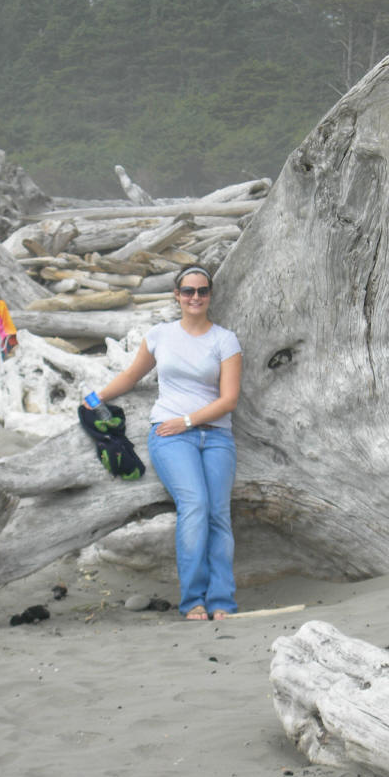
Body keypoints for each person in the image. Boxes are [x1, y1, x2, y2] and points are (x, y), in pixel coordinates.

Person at [91, 265, 242, 621]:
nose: (195, 297)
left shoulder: (225, 340)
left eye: (202, 291)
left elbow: (229, 400)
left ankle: (222, 600)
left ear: (210, 295)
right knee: (195, 505)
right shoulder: (160, 335)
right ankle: (193, 600)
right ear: (177, 295)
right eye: (188, 291)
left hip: (216, 436)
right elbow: (131, 375)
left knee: (218, 514)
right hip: (170, 437)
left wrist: (188, 420)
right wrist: (95, 398)